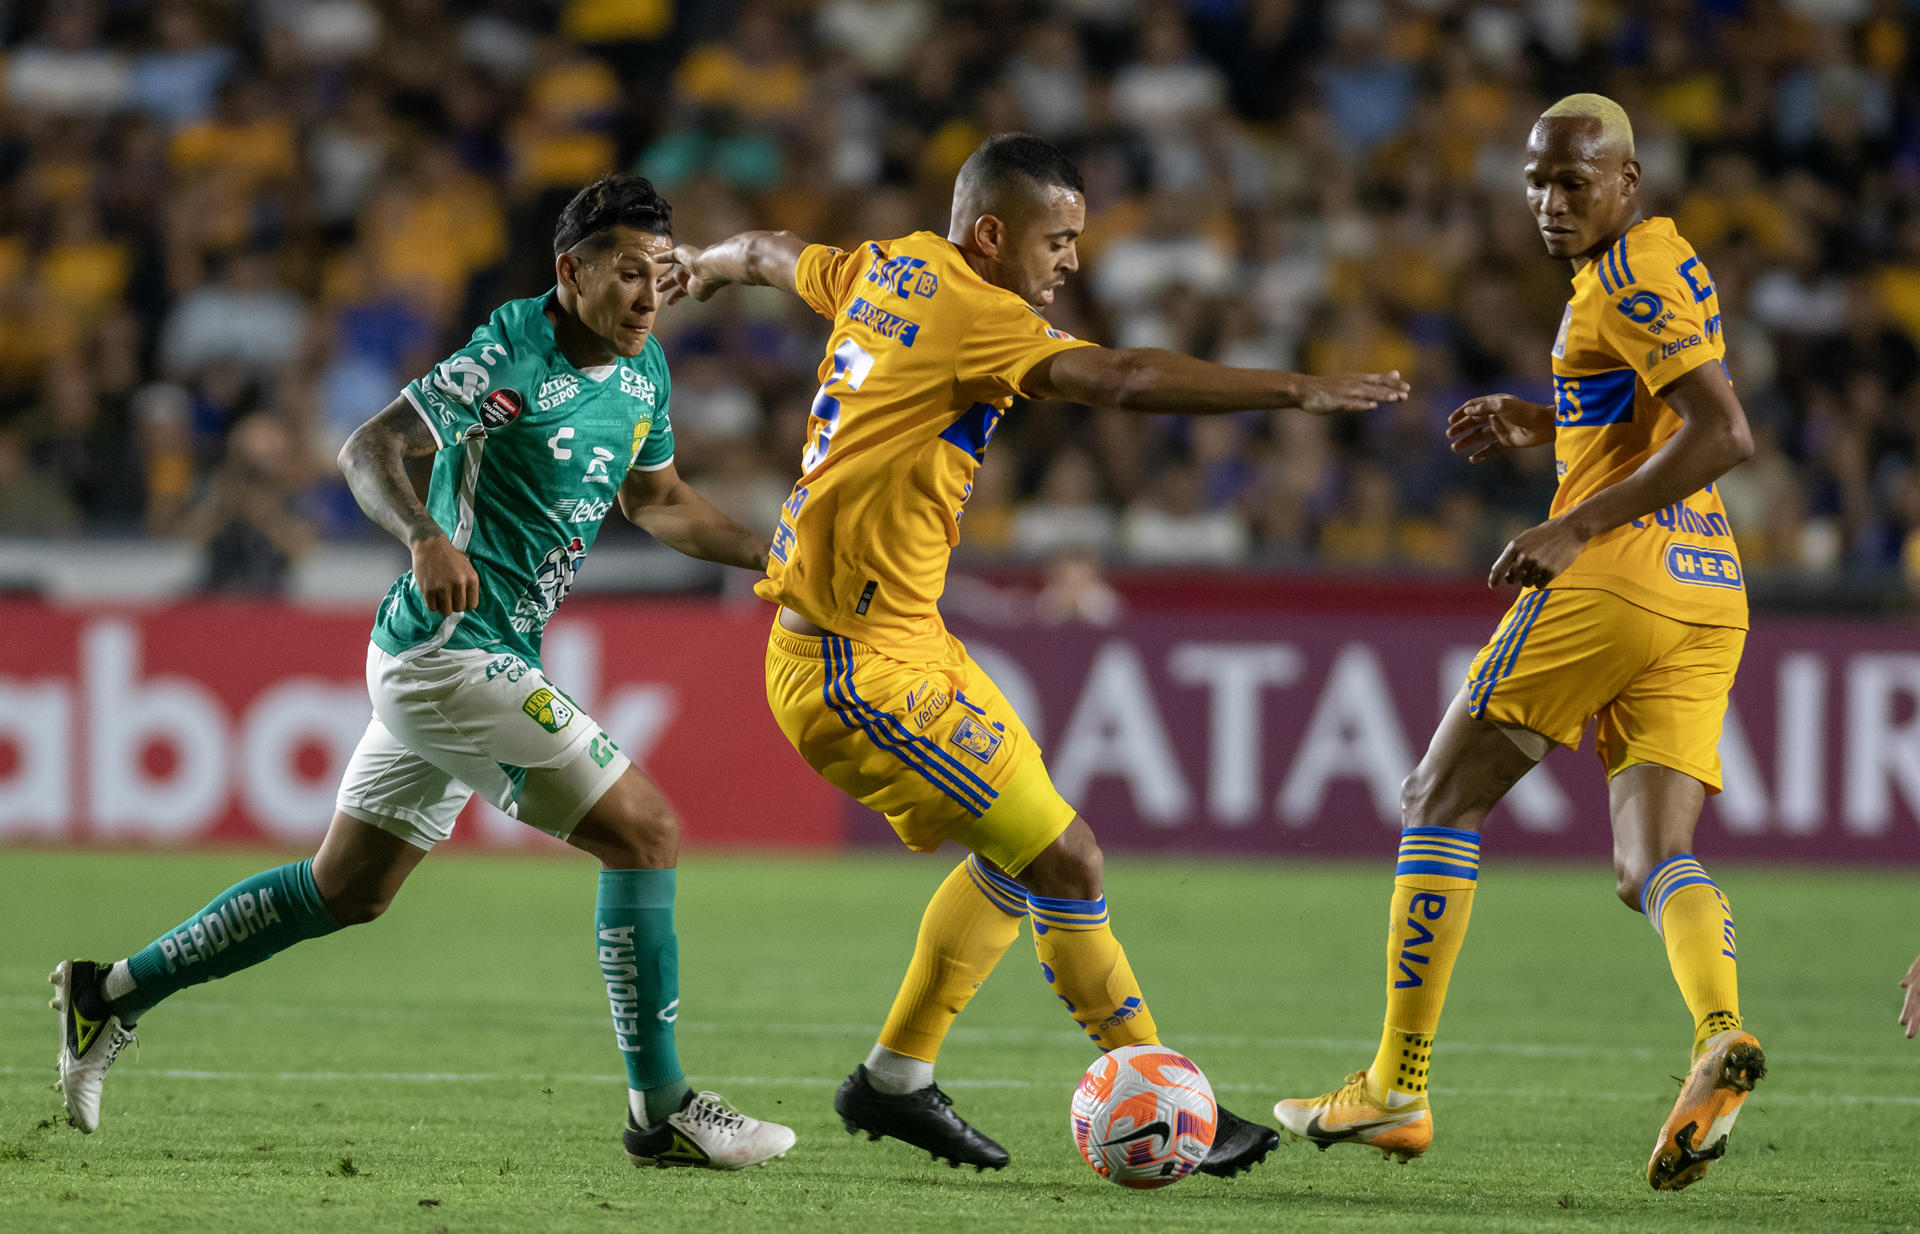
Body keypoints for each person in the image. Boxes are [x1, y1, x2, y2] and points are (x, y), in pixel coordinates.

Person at [660, 132, 1408, 1174]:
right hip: (849, 663)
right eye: (1058, 240)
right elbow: (1125, 379)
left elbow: (777, 249)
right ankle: (1157, 1085)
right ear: (994, 234)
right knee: (1067, 856)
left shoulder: (888, 266)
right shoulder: (979, 312)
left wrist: (706, 261)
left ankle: (894, 1081)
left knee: (1020, 861)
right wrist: (1292, 390)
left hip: (908, 638)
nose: (1070, 261)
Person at [50, 174, 797, 1172]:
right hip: (451, 649)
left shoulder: (642, 373)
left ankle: (107, 994)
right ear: (570, 270)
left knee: (345, 889)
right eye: (627, 271)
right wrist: (424, 535)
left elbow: (658, 502)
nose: (650, 293)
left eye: (661, 272)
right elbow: (371, 448)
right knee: (647, 831)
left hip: (471, 657)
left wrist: (770, 559)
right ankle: (659, 1108)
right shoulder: (510, 349)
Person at [1272, 95, 1762, 1193]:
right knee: (1651, 863)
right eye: (1537, 180)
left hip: (1616, 577)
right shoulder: (1659, 261)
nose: (1549, 201)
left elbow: (1726, 431)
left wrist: (1578, 518)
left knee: (1437, 797)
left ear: (1627, 180)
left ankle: (1396, 1086)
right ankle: (1719, 1030)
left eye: (1573, 181)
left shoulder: (1623, 276)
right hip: (1707, 589)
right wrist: (1553, 424)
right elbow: (1662, 403)